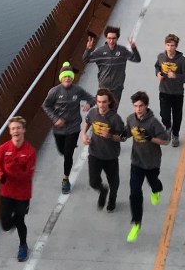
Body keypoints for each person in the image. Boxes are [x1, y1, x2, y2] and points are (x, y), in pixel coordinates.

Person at [122, 90, 170, 242]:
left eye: (141, 106)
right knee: (135, 192)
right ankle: (136, 222)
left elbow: (166, 141)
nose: (138, 109)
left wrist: (151, 139)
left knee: (153, 182)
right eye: (135, 106)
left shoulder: (153, 122)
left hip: (152, 162)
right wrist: (116, 136)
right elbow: (126, 134)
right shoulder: (131, 119)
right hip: (136, 161)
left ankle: (157, 189)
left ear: (146, 106)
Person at [41, 62, 94, 194]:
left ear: (72, 78)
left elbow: (92, 98)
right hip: (58, 128)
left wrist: (88, 105)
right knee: (62, 151)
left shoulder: (77, 90)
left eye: (69, 76)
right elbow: (46, 106)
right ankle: (68, 148)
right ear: (61, 78)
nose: (67, 79)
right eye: (65, 76)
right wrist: (55, 119)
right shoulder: (54, 92)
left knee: (68, 154)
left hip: (74, 127)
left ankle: (65, 179)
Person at [0, 116, 36, 262]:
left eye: (18, 128)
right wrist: (1, 174)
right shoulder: (2, 149)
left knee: (20, 220)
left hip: (22, 193)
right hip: (6, 192)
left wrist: (12, 169)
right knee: (5, 225)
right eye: (13, 128)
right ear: (9, 131)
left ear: (23, 130)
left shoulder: (30, 151)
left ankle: (23, 245)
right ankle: (13, 224)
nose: (16, 131)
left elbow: (27, 175)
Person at [81, 88, 125, 212]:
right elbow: (88, 121)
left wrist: (110, 136)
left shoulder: (115, 119)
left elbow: (123, 138)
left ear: (109, 102)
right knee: (93, 182)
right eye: (99, 102)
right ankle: (103, 190)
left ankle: (112, 198)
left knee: (113, 181)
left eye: (104, 102)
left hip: (110, 156)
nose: (101, 105)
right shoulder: (93, 113)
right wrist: (84, 134)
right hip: (95, 153)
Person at [83, 25, 141, 107]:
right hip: (104, 88)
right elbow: (86, 60)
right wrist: (88, 49)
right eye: (109, 38)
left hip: (117, 88)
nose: (111, 41)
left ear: (117, 39)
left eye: (114, 38)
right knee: (103, 111)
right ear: (106, 38)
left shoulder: (122, 51)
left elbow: (137, 59)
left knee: (112, 113)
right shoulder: (100, 51)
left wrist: (134, 48)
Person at [155, 33, 185, 148]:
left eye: (172, 45)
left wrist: (176, 76)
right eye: (168, 45)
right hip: (164, 91)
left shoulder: (181, 60)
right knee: (164, 114)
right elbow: (157, 66)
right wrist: (158, 74)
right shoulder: (161, 57)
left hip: (177, 93)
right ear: (165, 45)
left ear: (176, 46)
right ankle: (168, 127)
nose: (170, 48)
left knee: (177, 116)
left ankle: (175, 135)